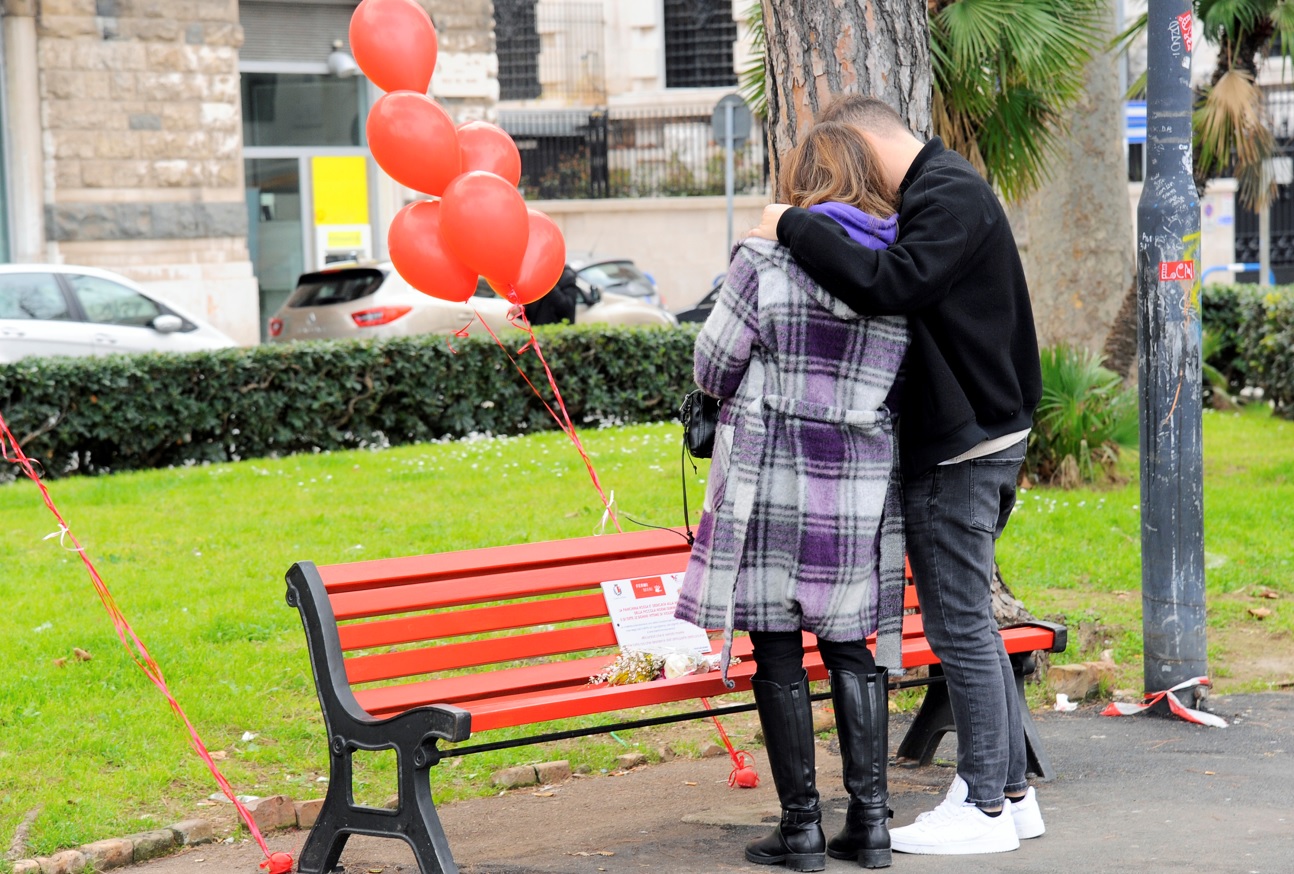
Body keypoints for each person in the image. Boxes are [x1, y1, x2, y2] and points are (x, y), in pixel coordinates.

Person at [749, 95, 1044, 856]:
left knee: (958, 626)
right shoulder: (943, 189)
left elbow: (893, 282)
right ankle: (1010, 796)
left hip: (964, 442)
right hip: (979, 432)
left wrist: (789, 224)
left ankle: (981, 809)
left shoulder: (948, 193)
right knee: (969, 620)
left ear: (862, 139)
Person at [675, 122, 909, 872]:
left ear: (799, 184)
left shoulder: (764, 259)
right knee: (849, 643)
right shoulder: (898, 263)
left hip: (774, 469)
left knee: (775, 643)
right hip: (857, 470)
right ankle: (870, 825)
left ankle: (802, 828)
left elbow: (713, 363)